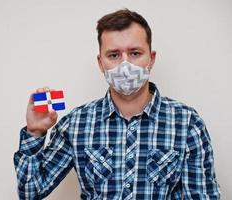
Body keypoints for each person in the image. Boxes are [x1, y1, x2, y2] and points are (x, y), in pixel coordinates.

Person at [13, 9, 221, 199]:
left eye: (135, 53)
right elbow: (31, 192)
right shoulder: (76, 124)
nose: (125, 64)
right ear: (101, 63)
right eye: (114, 55)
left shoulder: (187, 123)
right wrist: (35, 133)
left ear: (151, 58)